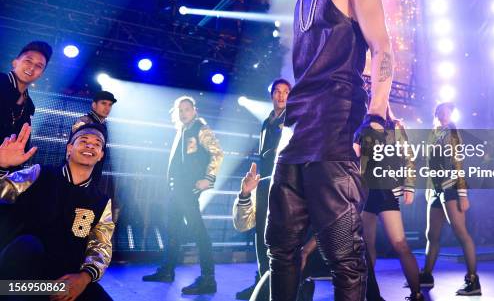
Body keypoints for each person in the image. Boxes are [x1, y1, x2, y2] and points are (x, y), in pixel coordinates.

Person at [265, 0, 394, 300]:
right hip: (295, 134)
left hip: (337, 130)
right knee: (280, 250)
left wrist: (374, 117)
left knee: (343, 255)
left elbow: (383, 49)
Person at [234, 163, 386, 301]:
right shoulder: (263, 187)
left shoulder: (320, 181)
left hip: (316, 250)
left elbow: (334, 222)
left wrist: (306, 251)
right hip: (283, 257)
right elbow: (242, 225)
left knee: (356, 245)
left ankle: (374, 297)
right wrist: (245, 194)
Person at [0, 123, 114, 301]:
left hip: (66, 280)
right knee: (27, 245)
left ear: (100, 156)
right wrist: (1, 165)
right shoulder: (39, 174)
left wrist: (84, 278)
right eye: (83, 140)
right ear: (69, 148)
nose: (90, 145)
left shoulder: (101, 201)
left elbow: (101, 247)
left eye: (97, 144)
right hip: (20, 279)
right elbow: (3, 192)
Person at [142, 96, 223, 295]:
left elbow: (218, 153)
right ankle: (168, 271)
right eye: (180, 110)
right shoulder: (182, 130)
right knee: (173, 231)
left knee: (198, 232)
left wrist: (208, 179)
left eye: (187, 109)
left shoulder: (200, 128)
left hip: (189, 189)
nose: (183, 112)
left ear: (194, 110)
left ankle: (208, 279)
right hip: (176, 189)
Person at [236, 78, 291, 300]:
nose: (281, 96)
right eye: (278, 92)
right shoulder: (266, 122)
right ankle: (261, 283)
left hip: (281, 184)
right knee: (259, 233)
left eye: (286, 92)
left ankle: (275, 286)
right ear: (272, 95)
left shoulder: (291, 119)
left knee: (276, 237)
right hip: (263, 183)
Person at [420, 102, 481, 296]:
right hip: (437, 190)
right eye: (440, 112)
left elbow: (458, 163)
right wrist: (430, 190)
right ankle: (426, 275)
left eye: (447, 113)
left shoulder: (452, 133)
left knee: (461, 232)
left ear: (451, 115)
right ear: (436, 114)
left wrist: (463, 194)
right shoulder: (433, 134)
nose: (443, 115)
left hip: (452, 187)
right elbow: (431, 167)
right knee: (432, 234)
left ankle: (473, 280)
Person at [360, 112, 423, 301]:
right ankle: (371, 294)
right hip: (365, 191)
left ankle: (417, 293)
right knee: (366, 245)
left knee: (399, 243)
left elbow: (408, 157)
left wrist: (409, 186)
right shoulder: (361, 126)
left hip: (386, 190)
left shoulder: (395, 126)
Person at [0, 40, 53, 176]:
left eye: (39, 66)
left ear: (41, 73)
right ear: (15, 62)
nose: (32, 68)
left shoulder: (28, 106)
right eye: (28, 61)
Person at [71, 90, 117, 186]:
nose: (107, 108)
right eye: (103, 103)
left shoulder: (103, 124)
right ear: (94, 105)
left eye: (110, 105)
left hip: (92, 172)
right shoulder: (84, 121)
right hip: (78, 174)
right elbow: (74, 149)